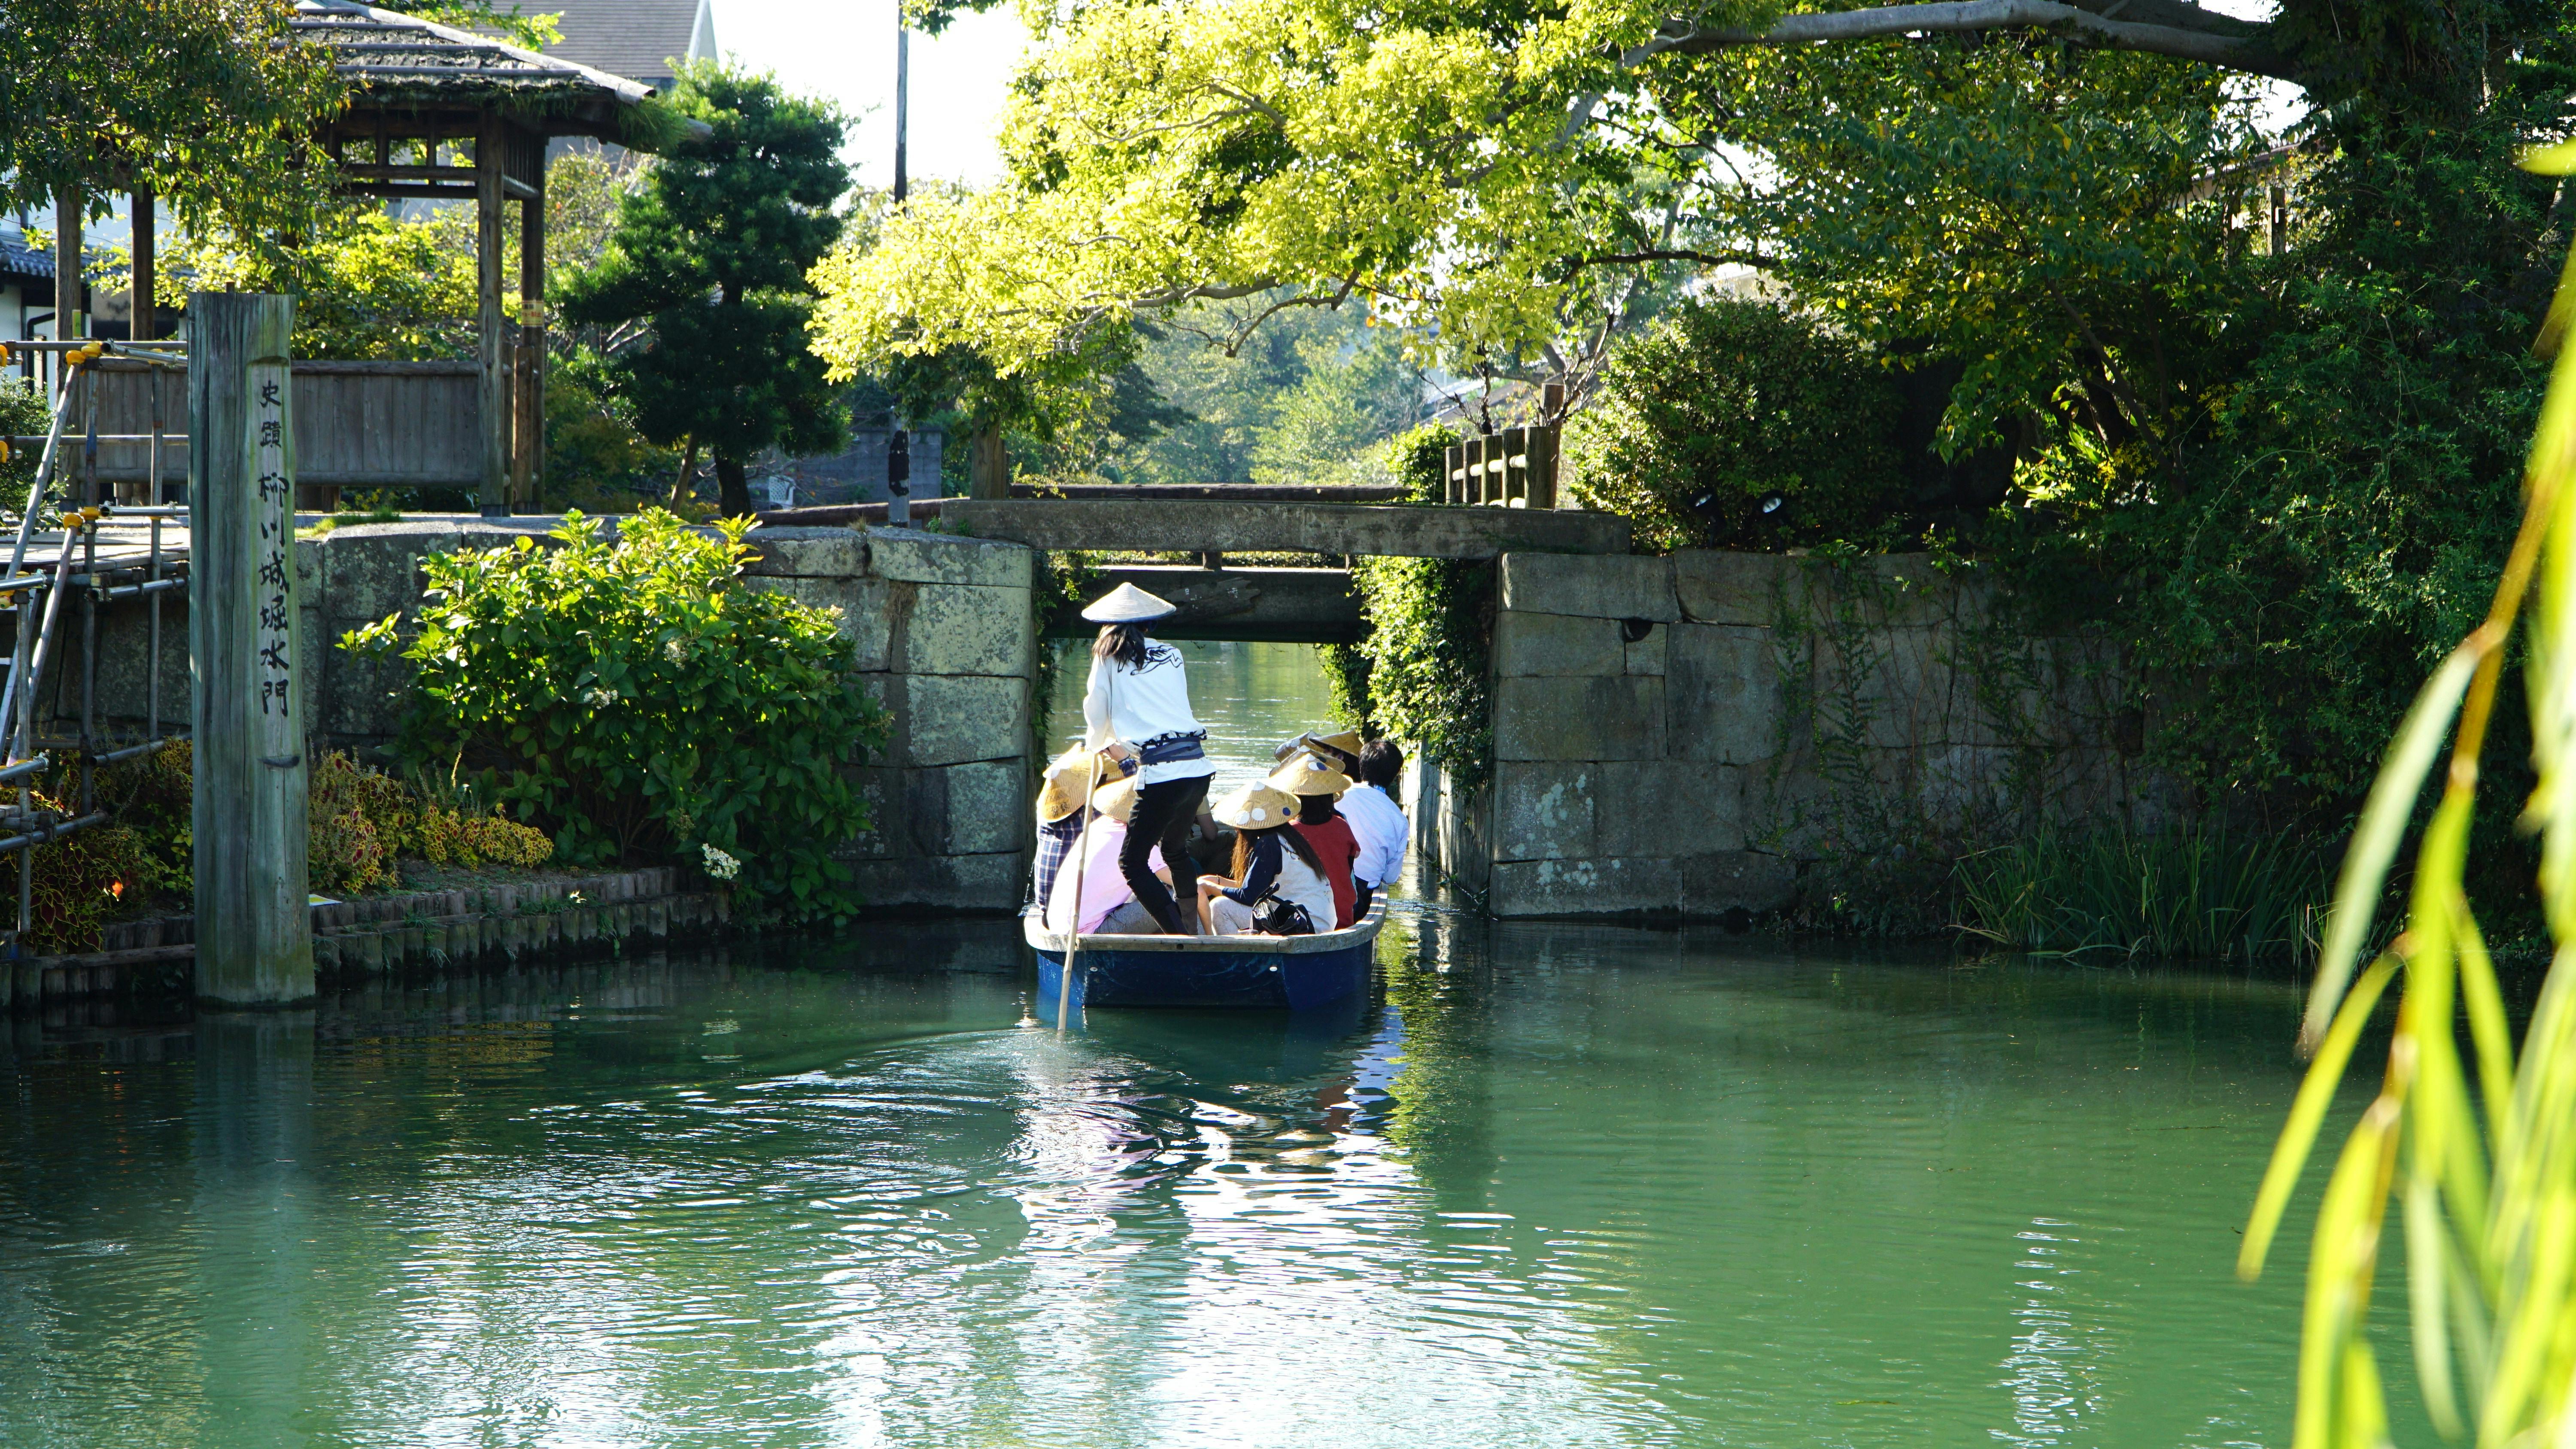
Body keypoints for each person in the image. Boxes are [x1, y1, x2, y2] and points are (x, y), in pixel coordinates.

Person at [1080, 582, 1217, 934]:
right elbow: (1165, 709)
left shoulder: (1107, 656)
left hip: (1163, 774)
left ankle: (1179, 937)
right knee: (1173, 849)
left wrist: (1098, 742)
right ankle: (1190, 930)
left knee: (1132, 864)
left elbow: (1097, 707)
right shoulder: (1173, 654)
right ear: (1149, 625)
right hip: (1197, 767)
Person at [1197, 783, 1337, 936]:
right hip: (1317, 920)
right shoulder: (1289, 838)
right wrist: (1218, 881)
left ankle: (1236, 956)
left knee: (1220, 907)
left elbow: (1250, 896)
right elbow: (1258, 888)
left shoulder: (1268, 843)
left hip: (1302, 924)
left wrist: (1212, 888)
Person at [1046, 773, 1168, 936]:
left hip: (1060, 924)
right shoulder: (1139, 843)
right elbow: (1181, 885)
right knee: (1175, 896)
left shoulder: (1099, 825)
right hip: (1087, 932)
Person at [1032, 742, 1137, 910]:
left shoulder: (1045, 814)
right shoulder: (1089, 813)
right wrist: (1126, 762)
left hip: (1047, 908)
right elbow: (1141, 796)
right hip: (1077, 912)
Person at [1268, 751, 1361, 928]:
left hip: (1301, 921)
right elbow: (1347, 871)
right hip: (1343, 916)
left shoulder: (1287, 832)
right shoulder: (1342, 826)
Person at [1338, 739, 1409, 918]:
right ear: (1395, 777)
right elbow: (1390, 877)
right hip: (1361, 897)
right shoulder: (1399, 819)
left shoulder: (1338, 795)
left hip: (1329, 885)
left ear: (1361, 766)